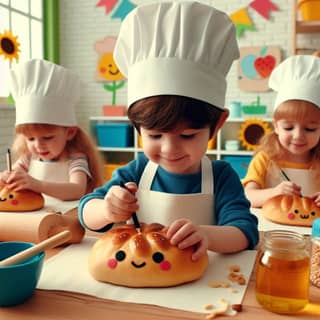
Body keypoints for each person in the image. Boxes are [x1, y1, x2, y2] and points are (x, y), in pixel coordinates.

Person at [79, 1, 259, 261]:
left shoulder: (221, 176)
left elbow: (245, 231)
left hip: (207, 289)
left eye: (187, 136)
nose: (169, 149)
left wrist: (207, 235)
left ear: (217, 125)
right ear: (138, 128)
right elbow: (86, 211)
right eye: (154, 135)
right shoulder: (137, 171)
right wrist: (107, 210)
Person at [0, 59, 104, 200]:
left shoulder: (75, 159)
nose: (38, 145)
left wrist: (38, 185)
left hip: (66, 217)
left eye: (47, 137)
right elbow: (14, 176)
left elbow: (77, 190)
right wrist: (5, 178)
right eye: (30, 139)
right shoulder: (28, 159)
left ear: (70, 133)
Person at [243, 55, 320, 208]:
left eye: (310, 129)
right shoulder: (265, 159)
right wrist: (274, 192)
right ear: (276, 126)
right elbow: (247, 196)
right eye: (288, 128)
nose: (298, 136)